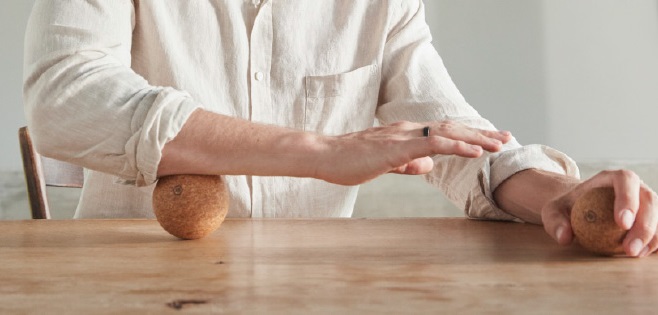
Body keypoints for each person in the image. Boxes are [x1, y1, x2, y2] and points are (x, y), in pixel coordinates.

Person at [23, 1, 656, 257]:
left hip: (317, 293)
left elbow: (456, 140)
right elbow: (62, 96)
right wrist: (323, 152)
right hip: (131, 288)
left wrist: (556, 199)